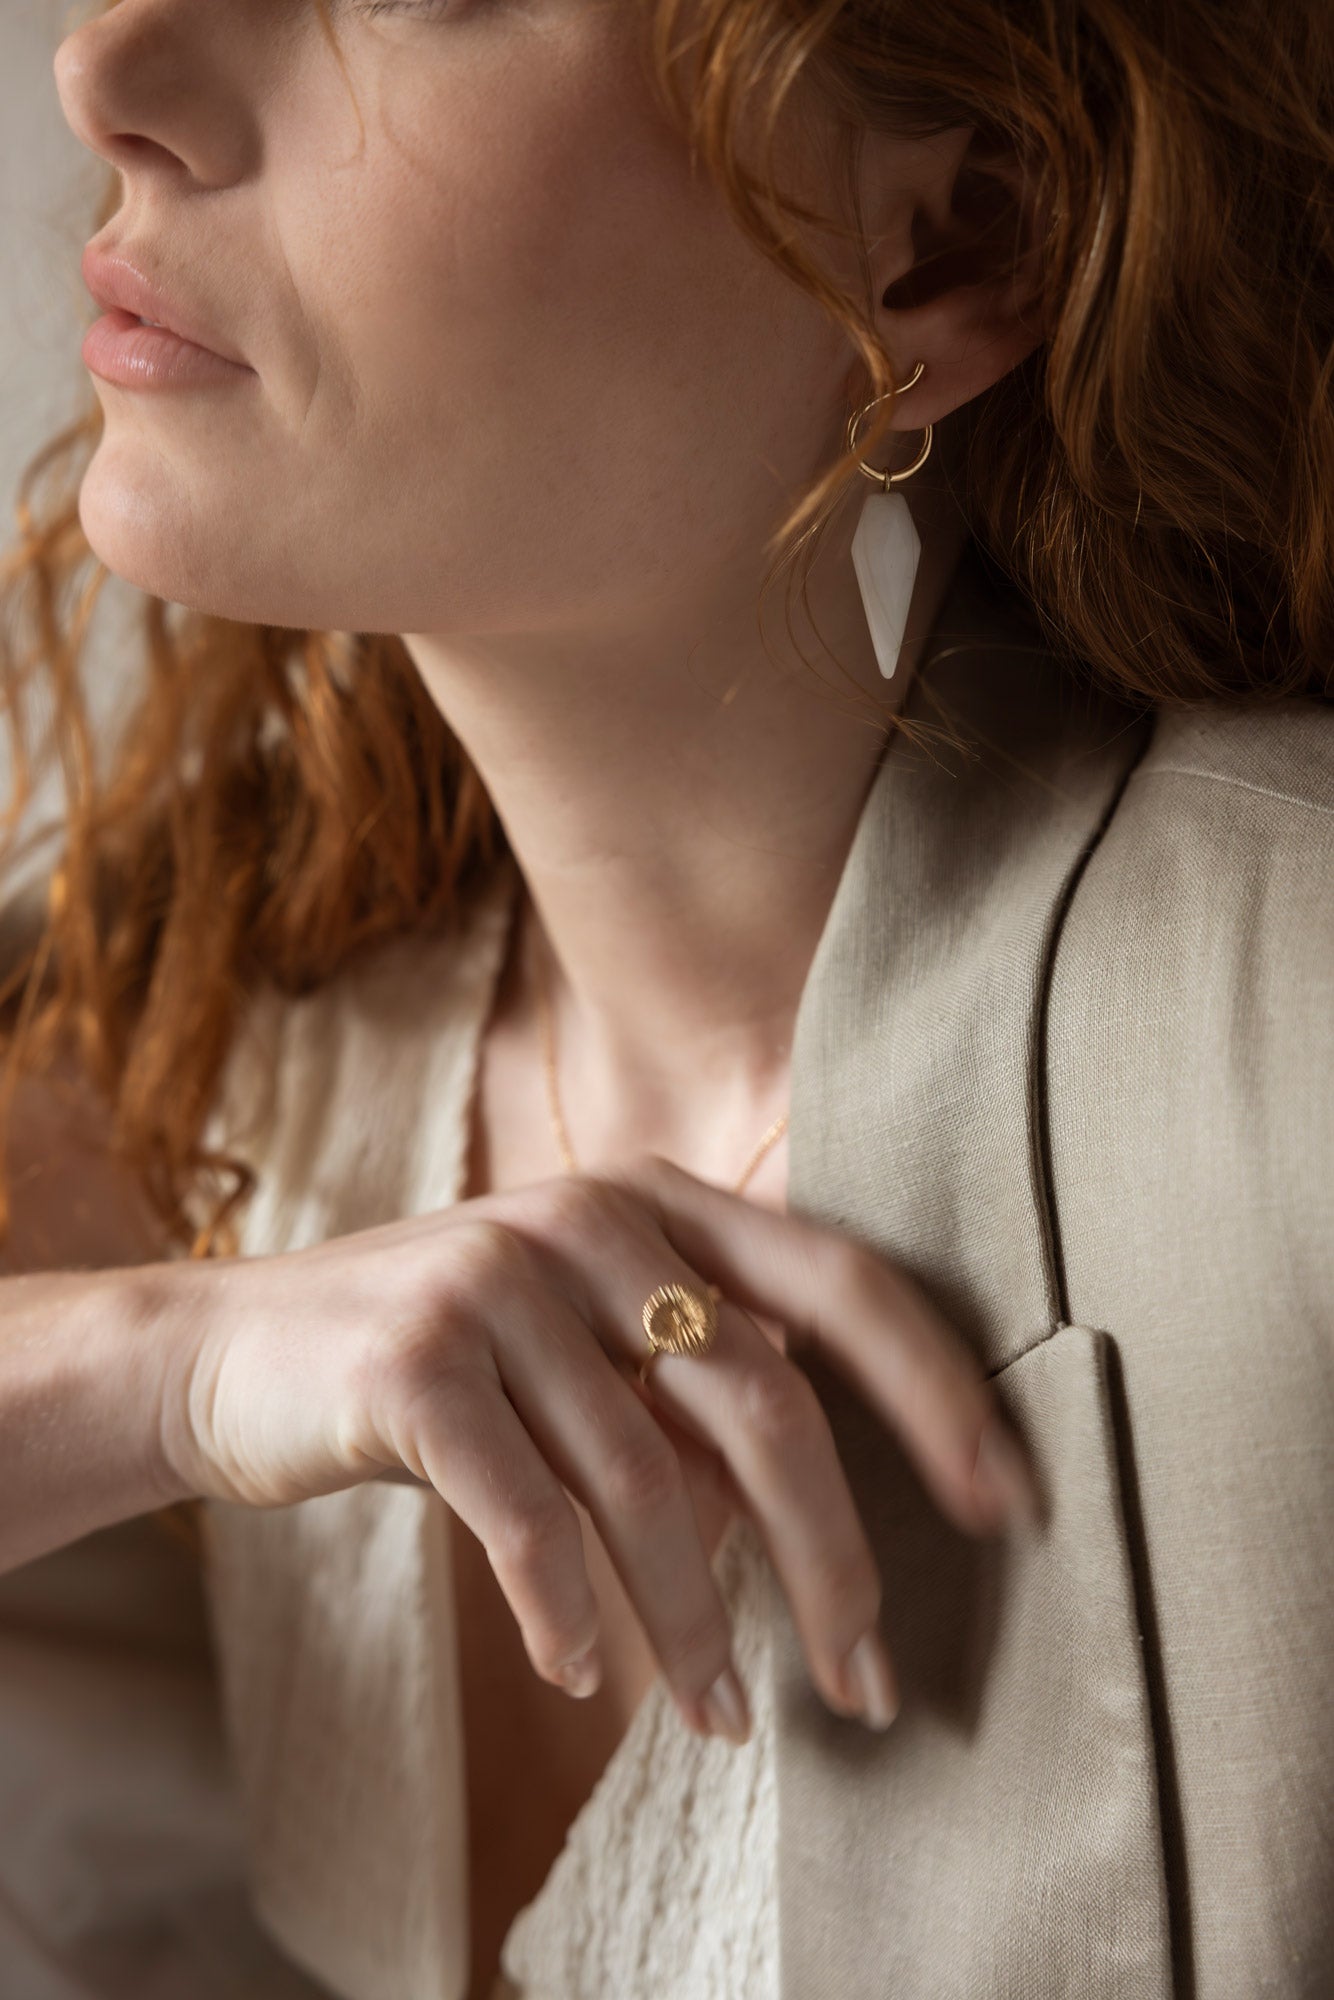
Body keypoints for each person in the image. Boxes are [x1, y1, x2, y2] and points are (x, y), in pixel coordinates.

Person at [0, 1, 1329, 1997]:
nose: (110, 68)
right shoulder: (213, 1013)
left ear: (947, 246)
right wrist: (159, 1369)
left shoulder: (1282, 1073)